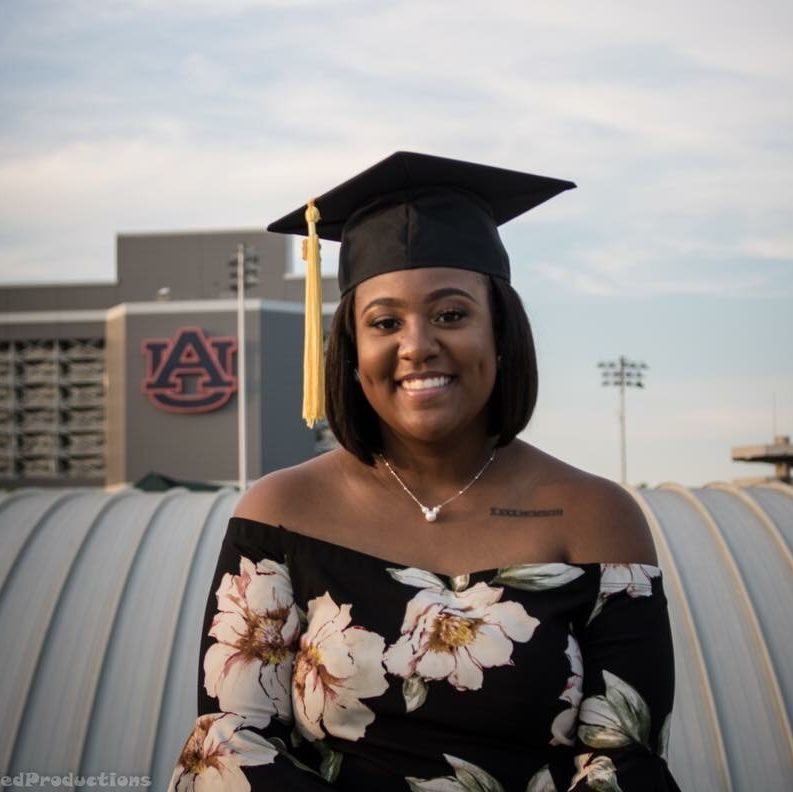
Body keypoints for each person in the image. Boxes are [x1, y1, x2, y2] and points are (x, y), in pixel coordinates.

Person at [168, 152, 680, 791]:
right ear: (352, 350)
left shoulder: (595, 518)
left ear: (500, 333)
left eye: (451, 315)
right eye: (385, 323)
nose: (417, 345)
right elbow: (231, 744)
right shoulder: (281, 514)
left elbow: (623, 758)